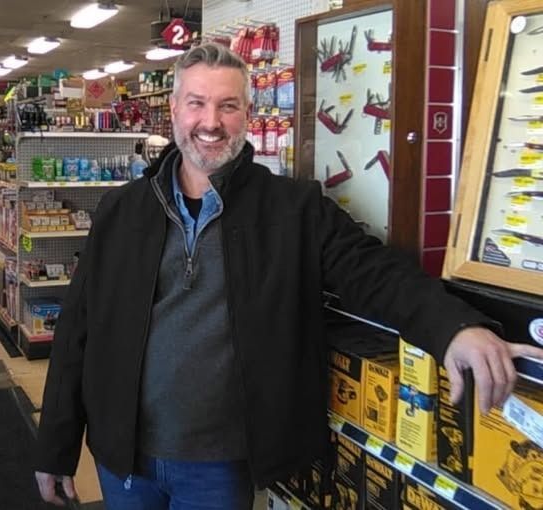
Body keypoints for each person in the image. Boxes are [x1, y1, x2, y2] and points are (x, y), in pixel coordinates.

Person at [34, 43, 543, 509]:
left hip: (221, 462)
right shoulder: (121, 212)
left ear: (248, 116)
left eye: (228, 106)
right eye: (196, 103)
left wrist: (455, 327)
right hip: (123, 456)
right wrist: (56, 445)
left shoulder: (293, 209)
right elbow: (77, 331)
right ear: (173, 111)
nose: (210, 122)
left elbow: (374, 272)